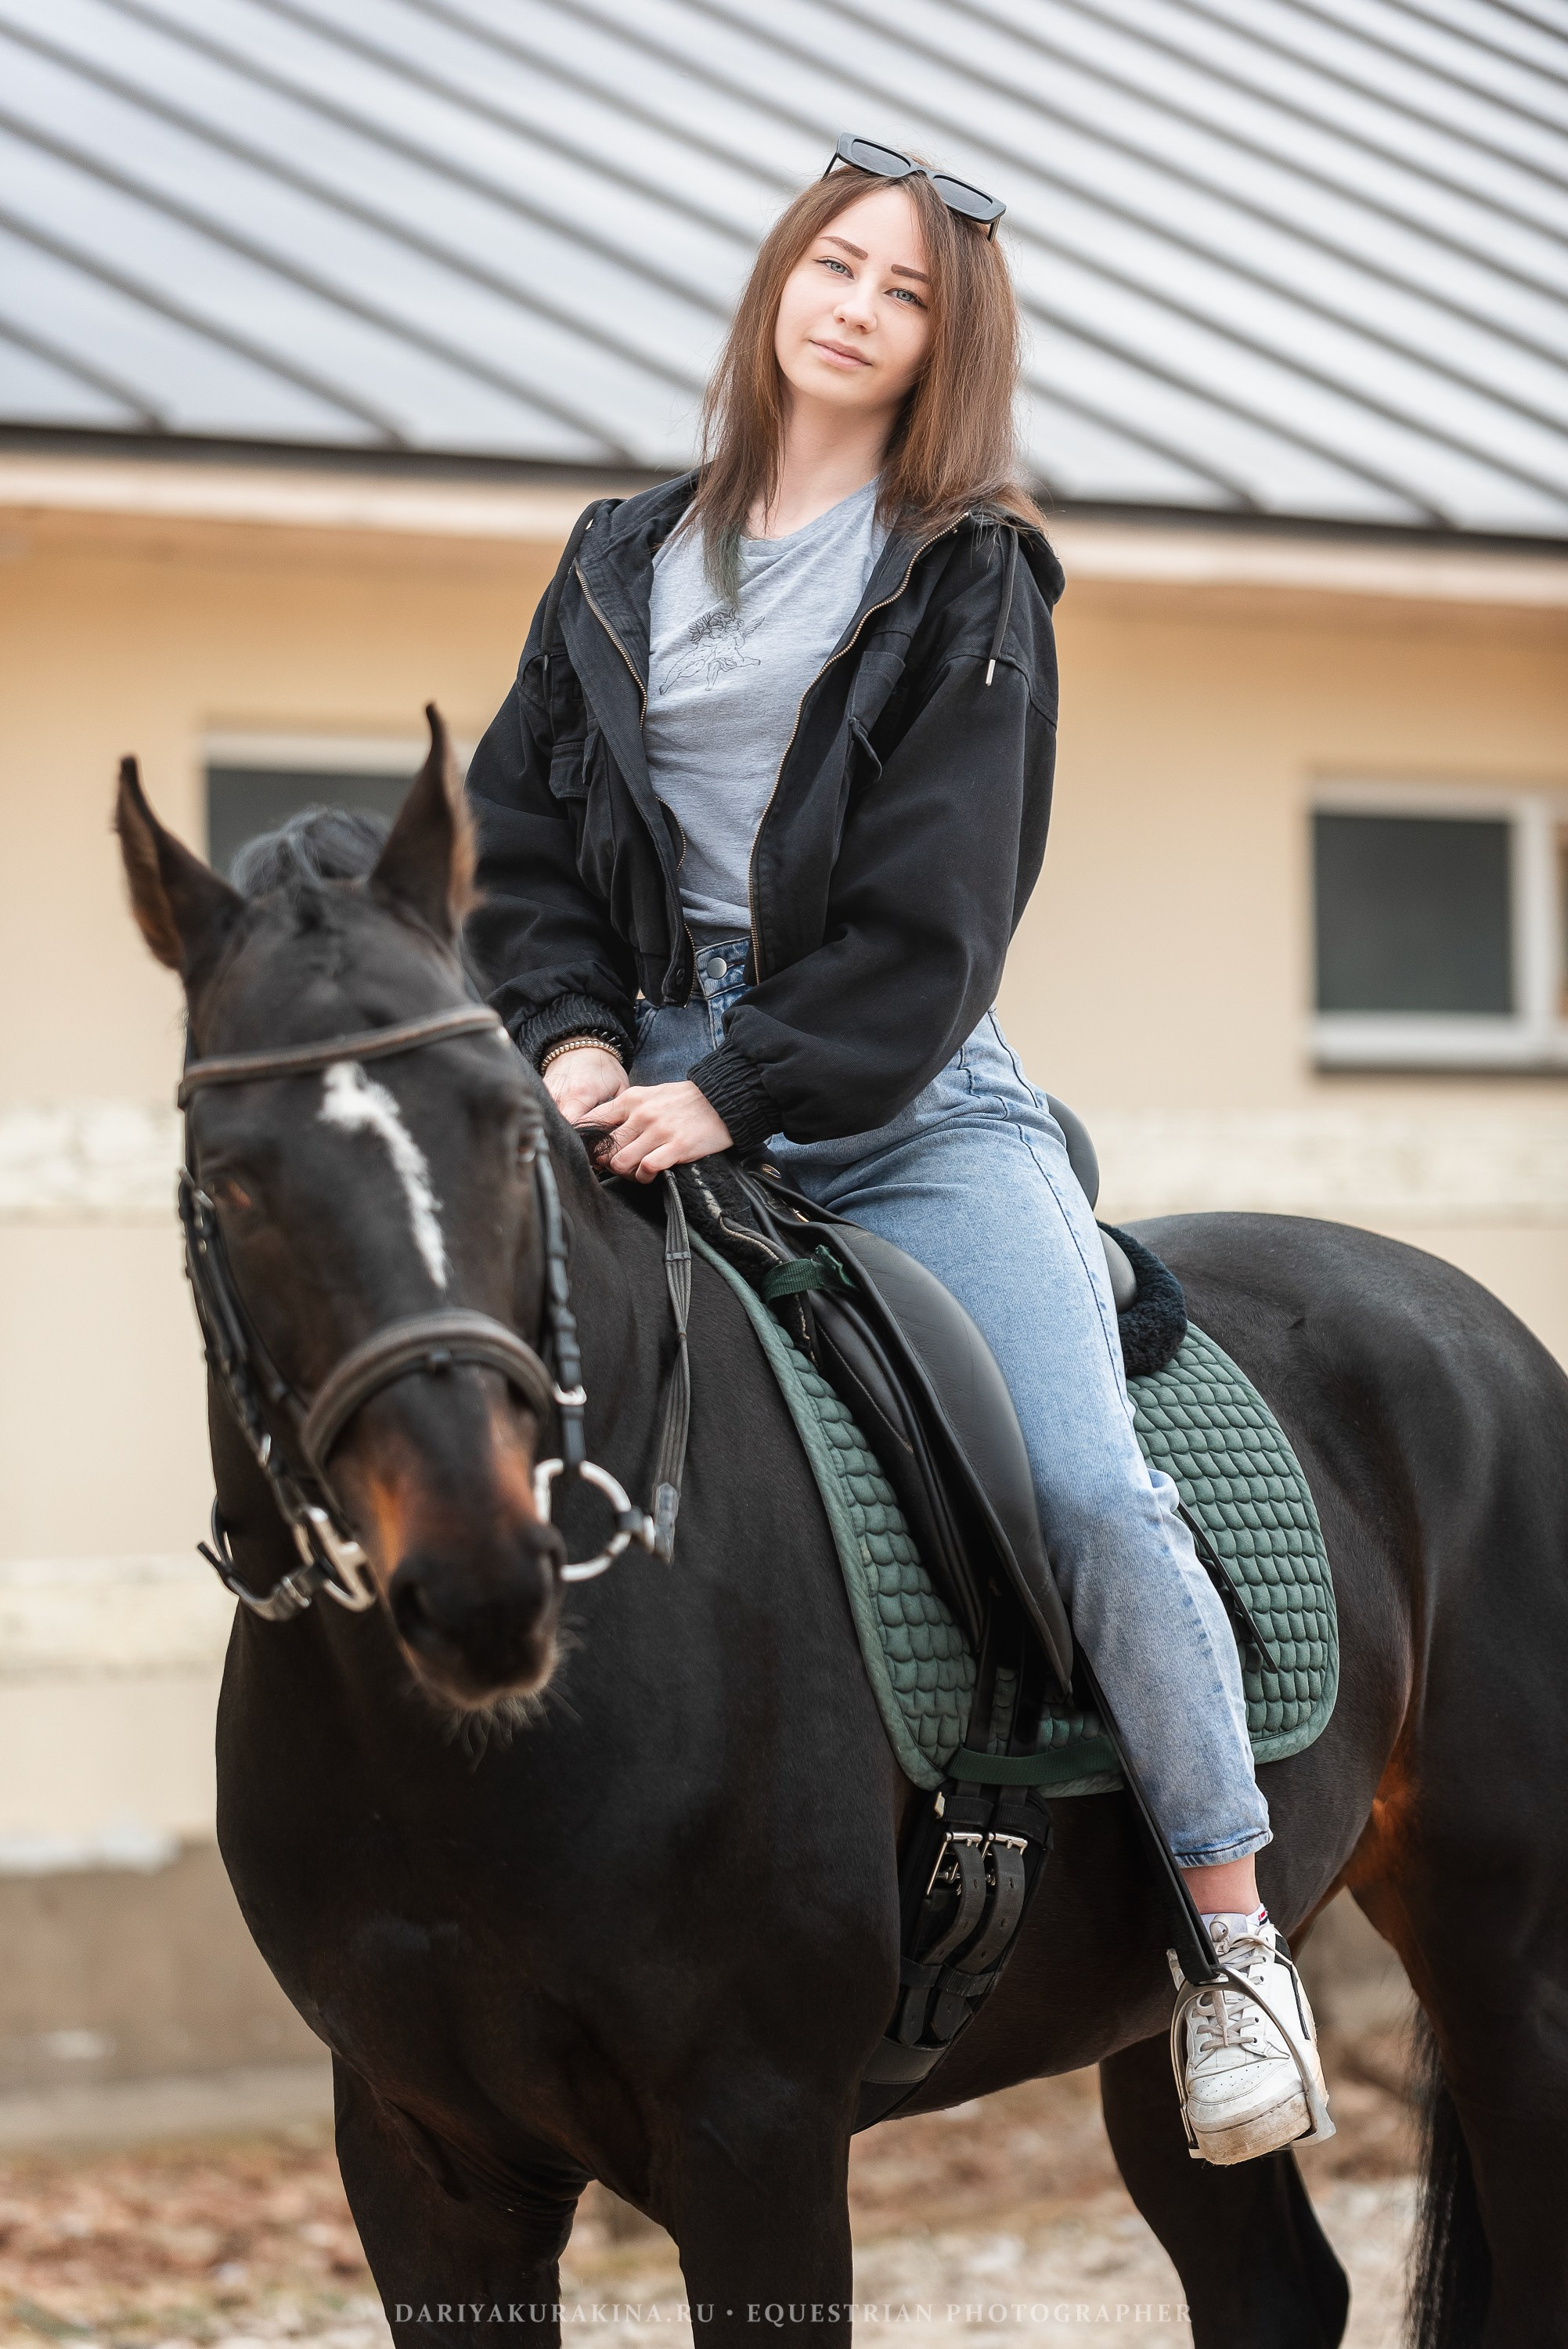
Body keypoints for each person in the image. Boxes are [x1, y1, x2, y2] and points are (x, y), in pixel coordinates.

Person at [466, 139, 1331, 2167]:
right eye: (831, 265)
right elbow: (520, 846)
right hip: (622, 1082)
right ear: (780, 281)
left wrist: (737, 1089)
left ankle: (1228, 1943)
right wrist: (577, 1038)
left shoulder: (965, 571)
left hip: (894, 1098)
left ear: (947, 343)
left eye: (902, 290)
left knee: (1085, 1490)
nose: (851, 303)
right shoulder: (615, 553)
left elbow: (938, 911)